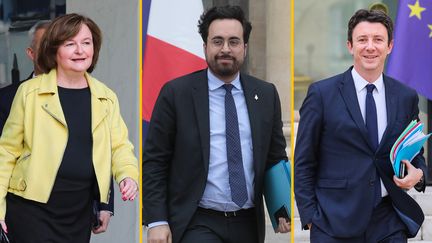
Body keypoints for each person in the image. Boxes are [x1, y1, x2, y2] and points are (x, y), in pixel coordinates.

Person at [142, 5, 290, 243]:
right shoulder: (176, 94)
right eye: (217, 41)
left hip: (248, 223)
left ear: (245, 47)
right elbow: (155, 161)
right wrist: (157, 221)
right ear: (205, 47)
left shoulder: (266, 94)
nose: (225, 49)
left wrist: (281, 206)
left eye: (233, 41)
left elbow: (275, 156)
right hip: (197, 220)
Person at [0, 13, 139, 243]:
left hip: (78, 212)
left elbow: (119, 146)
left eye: (86, 43)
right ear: (54, 50)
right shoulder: (29, 92)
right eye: (70, 44)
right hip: (30, 210)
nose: (80, 50)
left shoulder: (106, 97)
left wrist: (128, 176)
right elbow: (6, 152)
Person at [294, 9, 426, 243]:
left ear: (390, 46)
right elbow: (304, 160)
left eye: (378, 40)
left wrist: (419, 173)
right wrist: (310, 216)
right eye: (362, 40)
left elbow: (416, 154)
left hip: (389, 223)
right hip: (334, 223)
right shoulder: (321, 94)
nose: (370, 47)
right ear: (350, 46)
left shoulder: (406, 97)